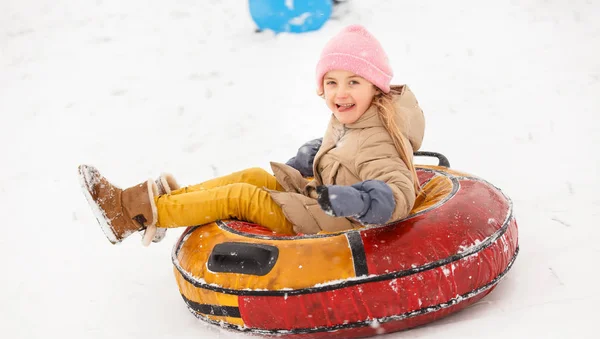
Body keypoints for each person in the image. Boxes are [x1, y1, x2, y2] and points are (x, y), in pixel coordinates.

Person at [78, 24, 425, 246]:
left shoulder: (378, 137)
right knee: (254, 176)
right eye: (331, 82)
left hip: (334, 225)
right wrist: (319, 153)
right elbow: (350, 154)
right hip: (319, 204)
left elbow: (396, 194)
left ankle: (131, 214)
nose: (340, 93)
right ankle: (167, 201)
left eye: (353, 82)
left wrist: (360, 200)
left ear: (374, 86)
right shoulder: (356, 116)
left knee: (243, 196)